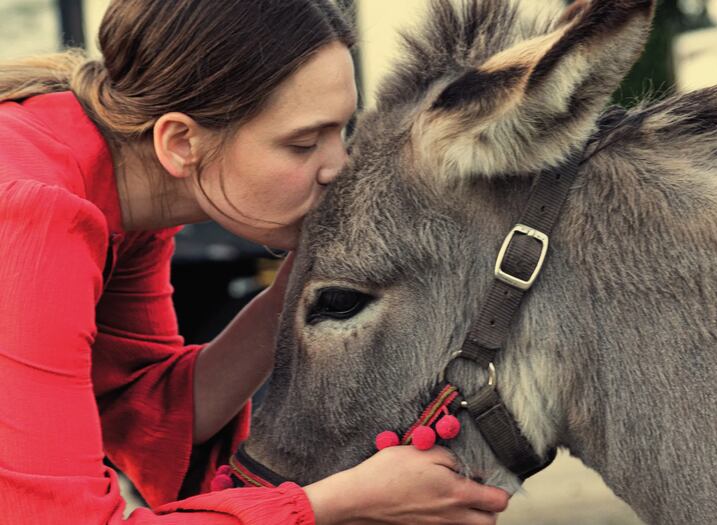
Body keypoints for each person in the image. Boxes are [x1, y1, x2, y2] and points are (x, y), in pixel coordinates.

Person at [0, 1, 510, 524]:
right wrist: (337, 502)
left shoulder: (121, 195)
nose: (339, 167)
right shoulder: (28, 218)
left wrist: (307, 281)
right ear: (180, 142)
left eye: (342, 131)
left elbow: (144, 411)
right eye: (303, 143)